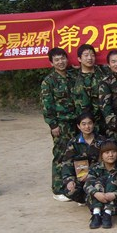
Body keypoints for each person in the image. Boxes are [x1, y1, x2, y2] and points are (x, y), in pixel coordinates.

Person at [41, 47, 78, 201]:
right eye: (56, 60)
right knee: (61, 154)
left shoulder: (73, 76)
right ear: (51, 63)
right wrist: (53, 125)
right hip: (61, 124)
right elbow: (47, 105)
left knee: (77, 153)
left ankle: (75, 188)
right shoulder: (49, 81)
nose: (61, 62)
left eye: (63, 58)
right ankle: (58, 189)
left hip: (76, 122)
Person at [61, 111, 105, 203]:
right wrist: (69, 180)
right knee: (70, 191)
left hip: (98, 176)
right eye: (83, 124)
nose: (87, 127)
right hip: (80, 178)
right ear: (78, 126)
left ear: (94, 124)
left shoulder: (102, 141)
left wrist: (90, 174)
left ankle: (92, 199)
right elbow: (67, 163)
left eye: (90, 123)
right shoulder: (74, 142)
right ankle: (86, 199)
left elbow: (107, 162)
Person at [84, 140, 117, 229]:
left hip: (116, 201)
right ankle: (96, 213)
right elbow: (87, 184)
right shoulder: (95, 167)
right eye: (107, 152)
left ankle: (107, 213)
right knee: (98, 182)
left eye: (113, 152)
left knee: (112, 182)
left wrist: (114, 194)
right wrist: (96, 193)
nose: (110, 155)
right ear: (101, 155)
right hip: (97, 198)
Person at [72, 44, 107, 134]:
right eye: (86, 55)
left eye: (92, 55)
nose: (90, 58)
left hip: (105, 119)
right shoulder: (74, 77)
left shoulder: (103, 72)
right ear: (79, 59)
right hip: (87, 123)